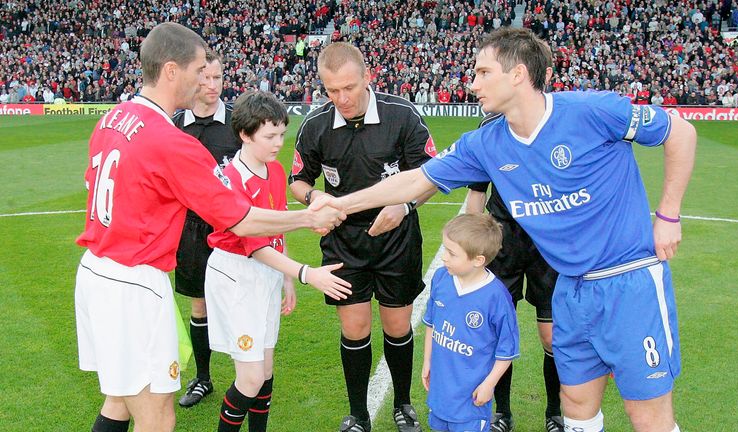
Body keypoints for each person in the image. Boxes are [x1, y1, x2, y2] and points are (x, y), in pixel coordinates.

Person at [322, 27, 697, 432]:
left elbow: (681, 132)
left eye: (483, 73)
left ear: (517, 74)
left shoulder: (592, 110)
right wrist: (340, 204)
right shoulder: (487, 143)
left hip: (628, 282)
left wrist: (669, 215)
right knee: (575, 403)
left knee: (647, 414)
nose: (473, 83)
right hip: (571, 288)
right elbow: (416, 180)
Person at [74, 22, 344, 432]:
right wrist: (308, 217)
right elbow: (241, 218)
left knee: (119, 402)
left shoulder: (115, 117)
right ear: (170, 71)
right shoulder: (171, 140)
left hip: (95, 271)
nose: (205, 79)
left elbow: (90, 182)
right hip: (134, 285)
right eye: (199, 69)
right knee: (157, 416)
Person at [288, 42, 436, 432]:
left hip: (397, 237)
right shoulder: (317, 124)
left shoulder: (402, 115)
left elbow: (432, 176)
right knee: (354, 329)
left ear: (367, 77)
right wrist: (315, 195)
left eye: (349, 88)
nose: (342, 98)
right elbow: (298, 179)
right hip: (344, 241)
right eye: (331, 90)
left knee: (397, 325)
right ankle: (359, 414)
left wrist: (404, 207)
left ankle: (403, 404)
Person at [206, 90, 353, 432]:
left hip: (267, 274)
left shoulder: (273, 171)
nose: (277, 143)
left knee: (266, 371)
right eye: (269, 136)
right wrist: (305, 274)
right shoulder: (232, 179)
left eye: (281, 134)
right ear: (245, 134)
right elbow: (254, 246)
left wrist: (285, 279)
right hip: (236, 276)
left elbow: (276, 229)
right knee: (252, 376)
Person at [466, 115, 563, 432]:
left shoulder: (559, 120)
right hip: (502, 242)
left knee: (552, 336)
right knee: (498, 333)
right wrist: (470, 247)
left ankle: (555, 413)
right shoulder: (488, 128)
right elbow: (478, 192)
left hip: (548, 244)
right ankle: (502, 413)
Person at [171, 49, 239, 409]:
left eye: (218, 78)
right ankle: (203, 377)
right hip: (191, 231)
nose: (212, 86)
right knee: (199, 305)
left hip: (233, 230)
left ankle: (250, 376)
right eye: (205, 78)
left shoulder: (237, 123)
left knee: (239, 303)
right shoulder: (175, 124)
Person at [422, 213, 520, 432]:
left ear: (478, 260)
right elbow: (432, 324)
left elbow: (507, 350)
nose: (444, 258)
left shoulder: (496, 298)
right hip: (440, 393)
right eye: (445, 249)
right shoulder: (441, 278)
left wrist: (489, 384)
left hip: (471, 401)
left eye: (452, 253)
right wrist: (427, 360)